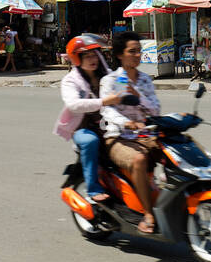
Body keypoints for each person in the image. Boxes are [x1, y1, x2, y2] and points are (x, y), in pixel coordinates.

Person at [99, 30, 162, 233]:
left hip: (144, 135)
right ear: (120, 54)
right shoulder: (111, 80)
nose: (137, 55)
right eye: (132, 51)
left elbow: (155, 109)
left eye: (139, 51)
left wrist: (139, 95)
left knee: (176, 149)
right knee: (139, 160)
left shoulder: (145, 80)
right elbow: (107, 110)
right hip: (117, 138)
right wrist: (127, 123)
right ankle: (148, 213)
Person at [53, 34, 126, 203]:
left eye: (94, 54)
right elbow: (73, 105)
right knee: (90, 141)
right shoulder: (70, 81)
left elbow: (120, 86)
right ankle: (93, 189)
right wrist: (103, 101)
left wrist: (126, 74)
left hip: (109, 123)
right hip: (83, 128)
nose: (92, 59)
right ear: (76, 59)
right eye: (87, 56)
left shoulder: (106, 74)